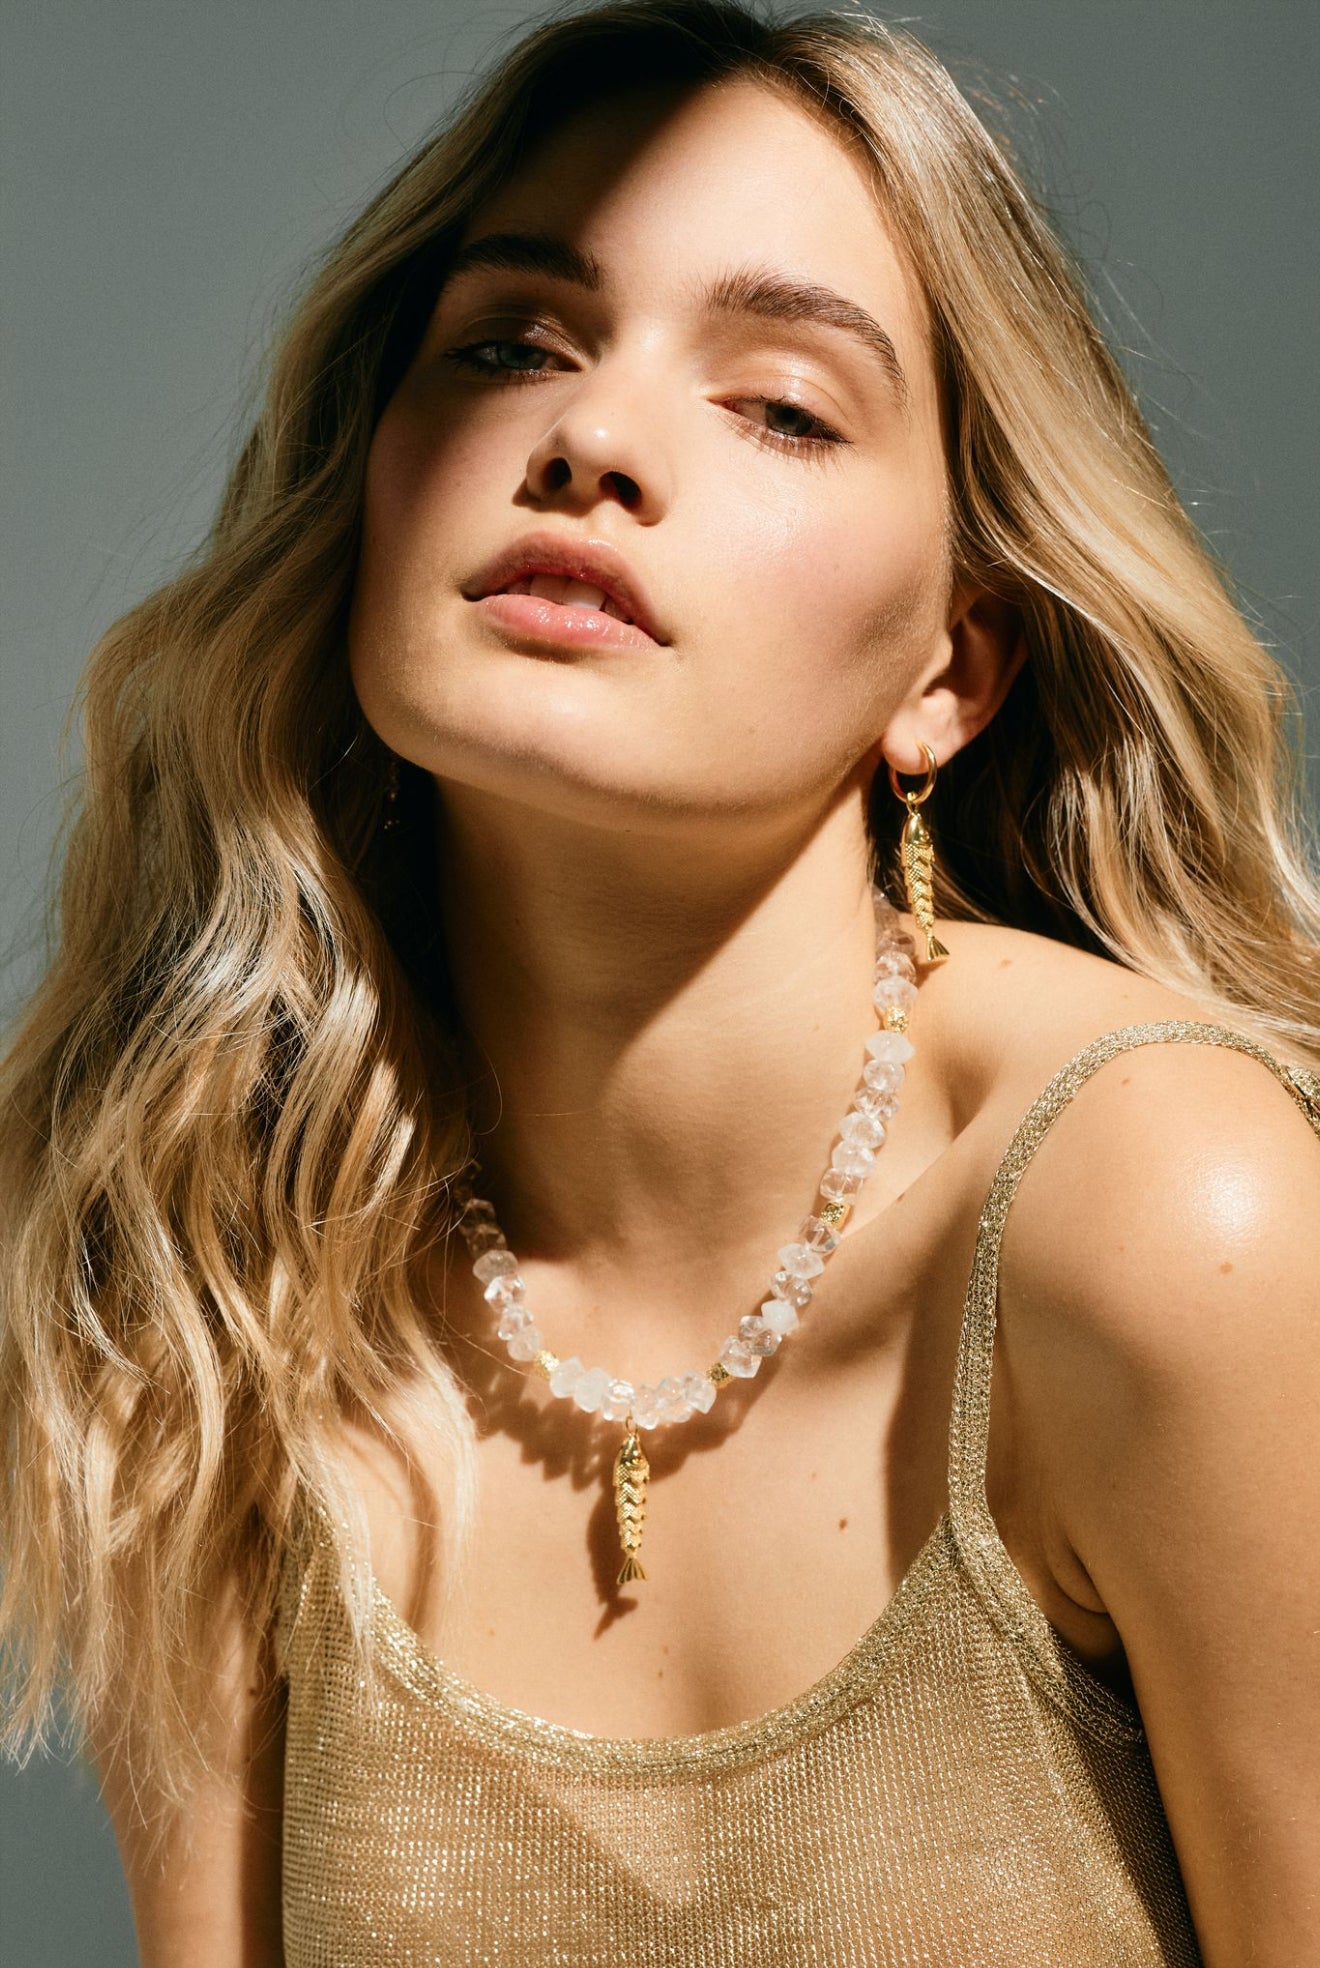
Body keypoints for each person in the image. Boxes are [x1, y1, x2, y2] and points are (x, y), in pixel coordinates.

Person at [3, 1, 1317, 1961]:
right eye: (512, 344)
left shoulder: (1162, 1218)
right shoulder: (207, 1274)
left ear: (951, 672)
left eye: (781, 403)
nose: (592, 442)